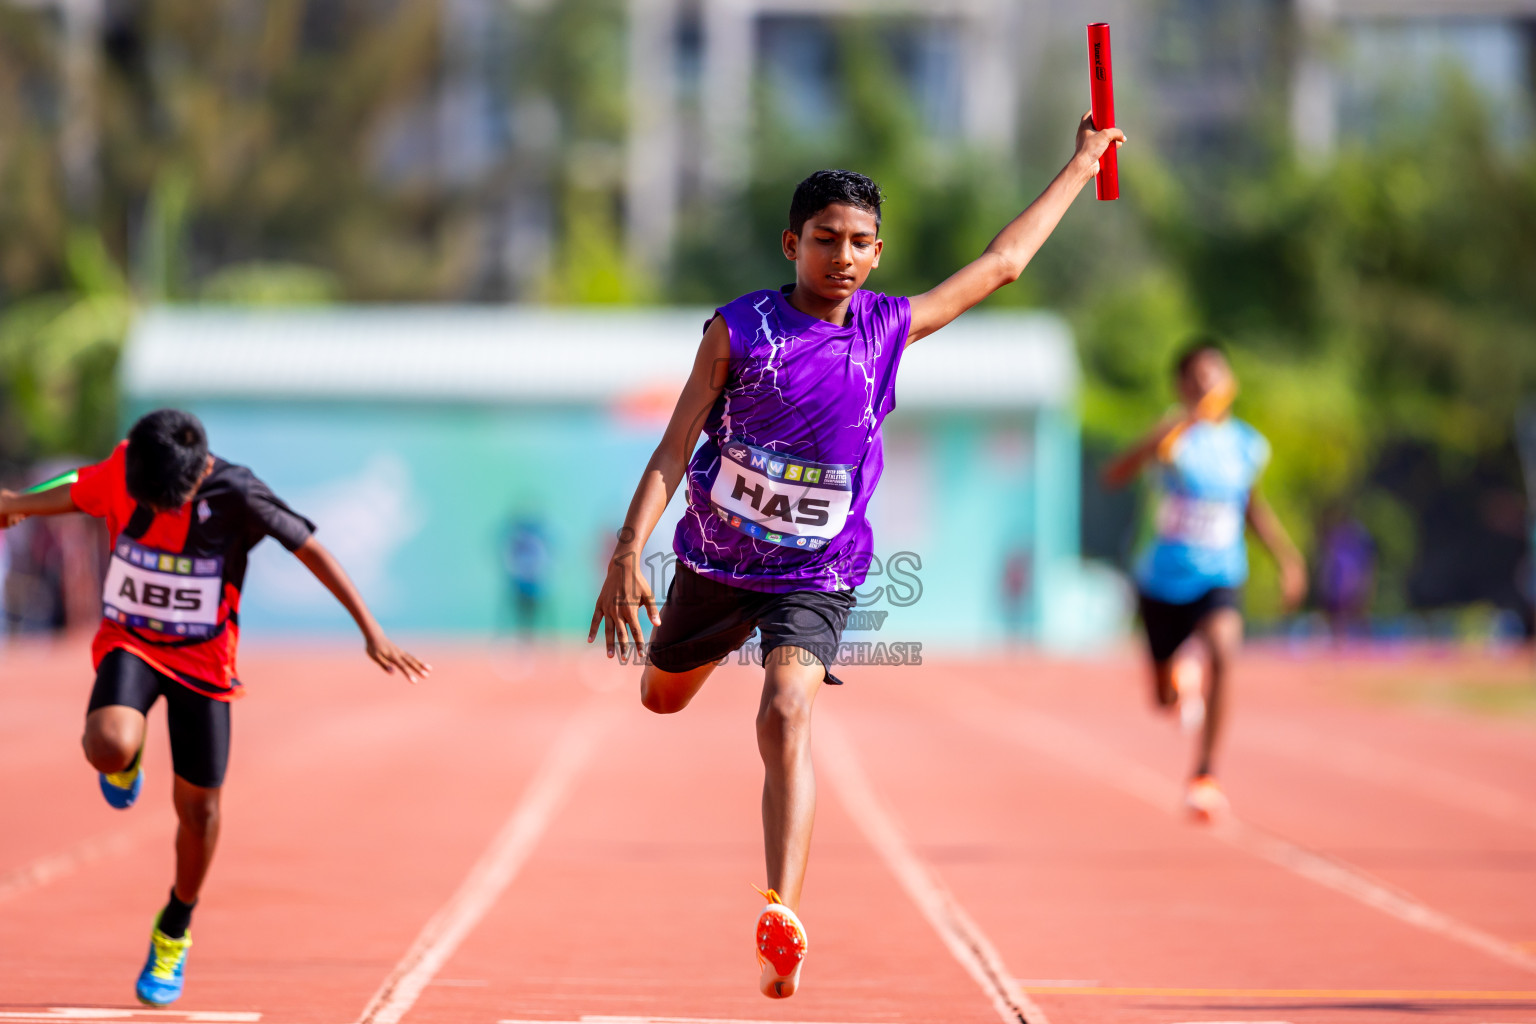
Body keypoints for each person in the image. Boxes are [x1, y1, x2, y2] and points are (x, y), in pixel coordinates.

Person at [589, 114, 1125, 999]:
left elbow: (1002, 265)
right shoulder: (739, 331)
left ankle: (781, 917)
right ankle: (701, 652)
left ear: (879, 254)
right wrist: (627, 551)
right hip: (715, 567)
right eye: (826, 239)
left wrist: (1080, 164)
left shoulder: (885, 328)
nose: (843, 256)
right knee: (660, 698)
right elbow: (674, 446)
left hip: (819, 573)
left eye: (860, 243)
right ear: (792, 243)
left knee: (788, 711)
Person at [0, 409, 429, 1007]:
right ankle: (128, 758)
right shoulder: (129, 466)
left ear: (197, 471)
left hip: (204, 667)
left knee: (198, 814)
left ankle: (174, 927)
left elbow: (312, 551)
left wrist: (371, 629)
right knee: (107, 744)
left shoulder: (239, 492)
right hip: (133, 642)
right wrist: (16, 502)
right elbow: (78, 489)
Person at [1102, 340, 1305, 820]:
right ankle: (1178, 678)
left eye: (1214, 375)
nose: (1205, 385)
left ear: (1227, 381)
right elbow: (1115, 474)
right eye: (1195, 378)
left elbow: (1251, 506)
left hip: (1220, 574)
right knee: (1162, 698)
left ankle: (1205, 774)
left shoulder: (1245, 444)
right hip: (1162, 581)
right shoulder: (1173, 438)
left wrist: (1287, 559)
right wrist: (1161, 433)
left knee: (1224, 650)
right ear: (1181, 386)